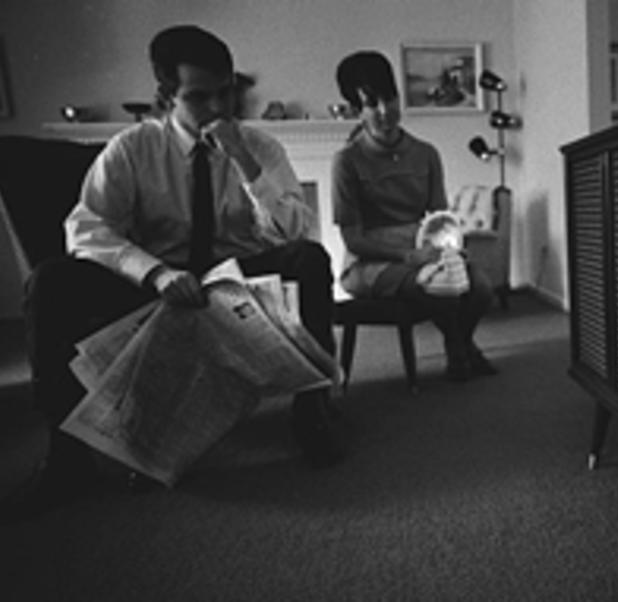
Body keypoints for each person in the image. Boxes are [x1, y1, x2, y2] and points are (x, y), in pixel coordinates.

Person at [16, 25, 343, 512]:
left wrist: (246, 167)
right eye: (199, 96)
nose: (218, 108)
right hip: (159, 277)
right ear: (166, 97)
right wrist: (154, 273)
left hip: (239, 271)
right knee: (51, 282)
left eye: (226, 92)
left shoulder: (260, 147)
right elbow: (85, 230)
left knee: (309, 258)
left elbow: (293, 229)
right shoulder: (131, 149)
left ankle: (312, 410)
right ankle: (67, 453)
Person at [332, 50, 496, 382]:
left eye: (390, 98)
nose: (384, 111)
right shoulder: (346, 162)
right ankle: (460, 352)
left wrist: (450, 247)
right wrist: (410, 255)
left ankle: (460, 342)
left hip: (426, 252)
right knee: (439, 288)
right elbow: (354, 239)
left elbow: (439, 217)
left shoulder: (426, 154)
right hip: (369, 264)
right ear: (356, 110)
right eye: (371, 103)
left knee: (480, 288)